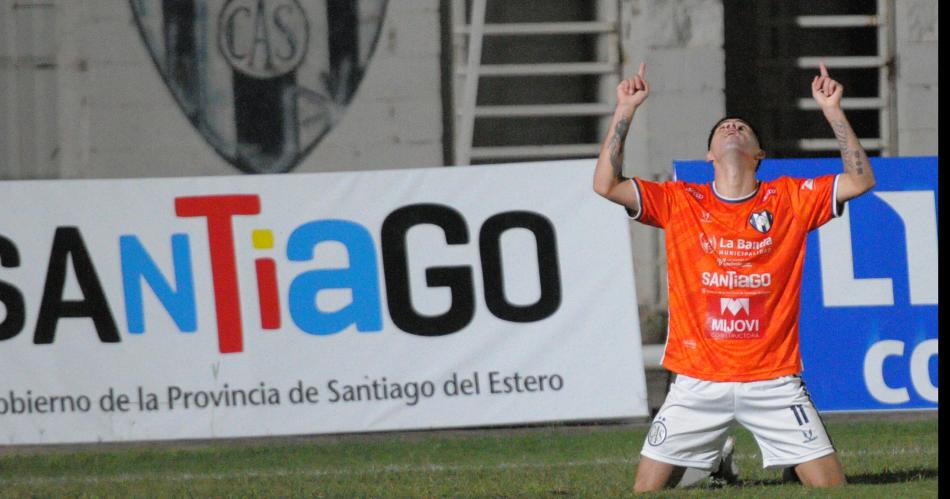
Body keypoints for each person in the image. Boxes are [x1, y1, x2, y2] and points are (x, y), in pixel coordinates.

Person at [593, 61, 875, 492]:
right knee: (644, 492)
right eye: (723, 127)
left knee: (832, 489)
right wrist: (625, 109)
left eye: (742, 127)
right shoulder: (680, 200)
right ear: (708, 156)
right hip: (696, 383)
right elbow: (606, 184)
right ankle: (710, 463)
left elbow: (859, 180)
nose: (732, 128)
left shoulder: (788, 199)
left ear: (759, 153)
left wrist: (833, 109)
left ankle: (752, 461)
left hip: (773, 381)